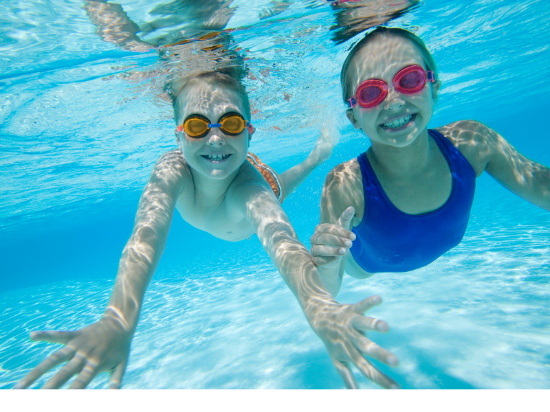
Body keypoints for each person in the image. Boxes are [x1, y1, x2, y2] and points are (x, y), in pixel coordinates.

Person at [15, 71, 399, 390]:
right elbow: (144, 237)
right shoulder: (170, 172)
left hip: (255, 185)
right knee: (278, 186)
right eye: (198, 126)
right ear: (178, 133)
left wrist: (319, 305)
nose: (215, 138)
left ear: (249, 132)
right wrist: (118, 320)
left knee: (284, 184)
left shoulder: (253, 192)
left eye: (231, 123)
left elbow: (283, 241)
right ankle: (314, 154)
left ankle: (317, 156)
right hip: (239, 186)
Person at [310, 26, 550, 298]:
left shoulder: (473, 142)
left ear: (433, 87)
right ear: (354, 118)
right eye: (370, 93)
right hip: (365, 267)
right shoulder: (345, 184)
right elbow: (326, 290)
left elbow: (542, 185)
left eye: (409, 79)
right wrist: (328, 265)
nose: (394, 102)